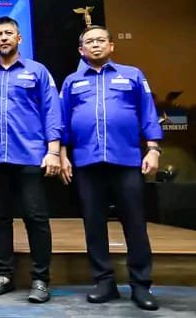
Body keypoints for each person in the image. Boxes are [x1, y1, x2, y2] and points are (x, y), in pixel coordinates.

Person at [59, 25, 162, 311]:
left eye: (100, 40)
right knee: (93, 224)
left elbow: (148, 113)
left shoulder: (132, 75)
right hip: (87, 162)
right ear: (81, 50)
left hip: (126, 160)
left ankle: (141, 285)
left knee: (135, 224)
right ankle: (104, 282)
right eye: (89, 42)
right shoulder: (72, 81)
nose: (95, 45)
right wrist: (63, 154)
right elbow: (62, 120)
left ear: (111, 45)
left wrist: (153, 149)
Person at [0, 16, 62, 304]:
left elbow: (52, 111)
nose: (4, 38)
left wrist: (53, 151)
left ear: (19, 38)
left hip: (31, 155)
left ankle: (41, 279)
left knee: (36, 218)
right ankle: (4, 275)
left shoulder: (37, 71)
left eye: (9, 33)